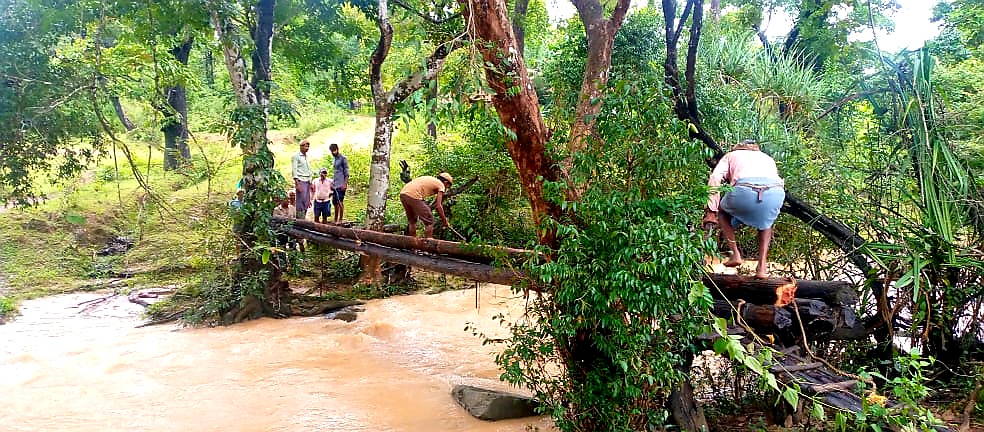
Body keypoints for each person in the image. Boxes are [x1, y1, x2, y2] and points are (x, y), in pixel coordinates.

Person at [705, 139, 785, 279]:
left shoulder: (730, 155)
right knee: (767, 223)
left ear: (737, 148)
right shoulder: (767, 158)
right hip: (775, 192)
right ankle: (761, 268)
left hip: (745, 189)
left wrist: (711, 211)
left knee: (723, 212)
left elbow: (715, 177)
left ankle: (735, 254)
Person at [399, 172, 452, 239]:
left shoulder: (431, 179)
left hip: (403, 194)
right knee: (429, 221)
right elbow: (438, 206)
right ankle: (428, 242)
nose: (446, 189)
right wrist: (445, 221)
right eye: (448, 186)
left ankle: (413, 246)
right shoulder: (441, 184)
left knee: (412, 221)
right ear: (445, 182)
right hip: (414, 195)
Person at [292, 139, 315, 220]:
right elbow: (294, 169)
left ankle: (303, 218)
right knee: (300, 200)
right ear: (301, 147)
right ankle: (300, 219)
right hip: (300, 180)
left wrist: (311, 182)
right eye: (305, 146)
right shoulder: (296, 156)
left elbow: (308, 170)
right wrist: (297, 183)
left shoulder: (306, 157)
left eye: (308, 146)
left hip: (307, 181)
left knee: (307, 200)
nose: (307, 148)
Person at [329, 143, 349, 223]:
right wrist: (332, 183)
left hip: (341, 184)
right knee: (334, 202)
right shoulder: (334, 160)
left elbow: (346, 172)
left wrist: (345, 183)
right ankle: (335, 219)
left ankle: (340, 219)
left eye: (334, 150)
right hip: (335, 185)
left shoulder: (343, 158)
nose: (333, 152)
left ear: (337, 149)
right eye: (332, 151)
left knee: (340, 201)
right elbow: (335, 173)